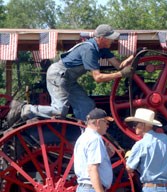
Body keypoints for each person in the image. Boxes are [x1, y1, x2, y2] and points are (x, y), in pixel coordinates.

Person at [6, 24, 134, 126]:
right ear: (101, 38)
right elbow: (98, 78)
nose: (113, 40)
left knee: (87, 105)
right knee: (59, 110)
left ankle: (82, 132)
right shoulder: (89, 50)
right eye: (110, 38)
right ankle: (25, 109)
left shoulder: (102, 49)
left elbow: (119, 66)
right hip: (58, 75)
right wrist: (120, 74)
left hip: (68, 79)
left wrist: (132, 59)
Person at [74, 108, 114, 192]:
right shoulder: (95, 139)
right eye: (105, 122)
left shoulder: (82, 138)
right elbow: (92, 168)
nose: (107, 125)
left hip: (82, 191)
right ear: (97, 122)